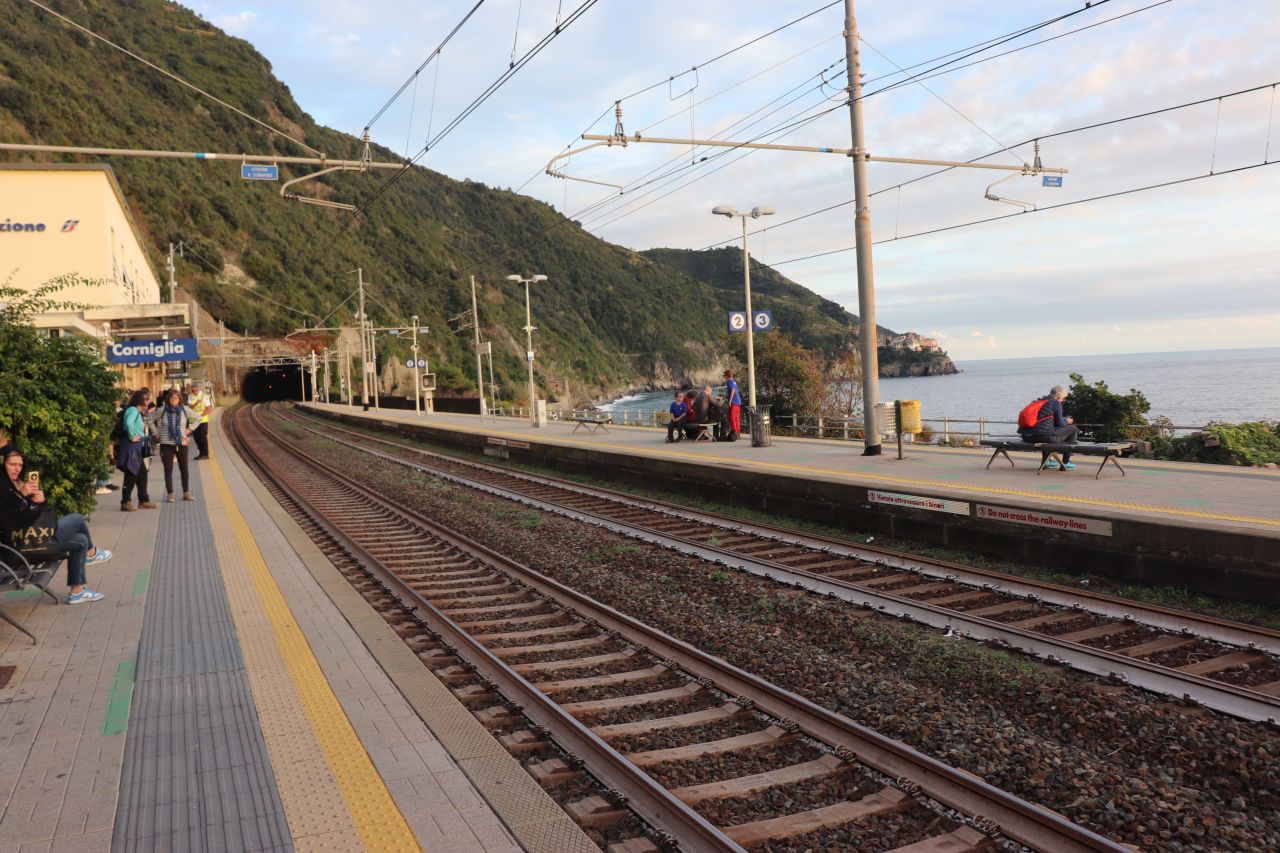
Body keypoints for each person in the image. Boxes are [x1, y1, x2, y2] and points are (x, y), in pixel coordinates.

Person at [1, 445, 111, 604]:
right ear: (3, 463)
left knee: (80, 540)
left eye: (20, 465)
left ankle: (77, 592)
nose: (17, 469)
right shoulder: (3, 487)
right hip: (18, 547)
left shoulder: (13, 484)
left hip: (30, 539)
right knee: (78, 519)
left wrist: (36, 501)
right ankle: (92, 553)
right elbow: (5, 519)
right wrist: (22, 495)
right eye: (12, 464)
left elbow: (25, 514)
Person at [148, 387, 200, 502]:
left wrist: (189, 429)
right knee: (168, 469)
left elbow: (198, 418)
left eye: (176, 398)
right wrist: (156, 433)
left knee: (184, 468)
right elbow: (150, 419)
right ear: (168, 399)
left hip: (181, 442)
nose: (174, 399)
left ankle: (186, 493)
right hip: (166, 443)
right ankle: (170, 494)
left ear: (179, 399)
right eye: (172, 397)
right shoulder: (163, 410)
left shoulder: (185, 409)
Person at [1018, 384, 1079, 470]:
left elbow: (1044, 421)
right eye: (1063, 398)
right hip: (1042, 436)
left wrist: (1062, 420)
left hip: (1026, 436)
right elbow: (1060, 424)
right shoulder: (1056, 403)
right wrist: (1067, 421)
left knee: (1046, 431)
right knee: (1073, 428)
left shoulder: (1039, 401)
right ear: (1059, 397)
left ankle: (1047, 461)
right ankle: (1066, 462)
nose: (1063, 401)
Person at [116, 389, 158, 510]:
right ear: (139, 399)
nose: (148, 401)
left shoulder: (137, 411)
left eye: (148, 398)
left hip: (138, 445)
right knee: (132, 472)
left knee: (142, 472)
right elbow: (128, 423)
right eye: (146, 398)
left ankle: (143, 499)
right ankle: (125, 501)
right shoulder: (133, 410)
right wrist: (132, 436)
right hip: (132, 446)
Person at [188, 385, 211, 460]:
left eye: (196, 390)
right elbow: (189, 407)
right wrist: (196, 403)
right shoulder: (190, 396)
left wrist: (201, 415)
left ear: (199, 389)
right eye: (193, 390)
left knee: (202, 437)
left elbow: (208, 408)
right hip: (193, 420)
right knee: (196, 437)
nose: (194, 391)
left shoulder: (204, 396)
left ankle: (205, 454)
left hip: (202, 420)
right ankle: (201, 454)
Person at [723, 369, 742, 438]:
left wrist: (730, 401)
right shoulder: (734, 382)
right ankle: (738, 432)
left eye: (724, 375)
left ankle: (734, 432)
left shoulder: (729, 381)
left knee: (732, 417)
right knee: (736, 418)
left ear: (727, 376)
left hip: (733, 401)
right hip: (738, 401)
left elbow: (732, 390)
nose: (724, 377)